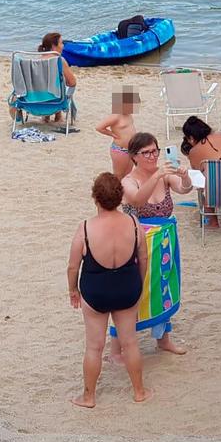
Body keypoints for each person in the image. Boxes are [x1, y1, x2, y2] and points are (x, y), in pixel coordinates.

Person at [66, 172, 153, 408]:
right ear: (120, 197)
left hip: (96, 291)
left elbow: (73, 266)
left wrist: (73, 290)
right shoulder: (134, 224)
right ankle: (139, 391)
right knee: (130, 343)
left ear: (95, 198)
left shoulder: (85, 228)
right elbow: (143, 257)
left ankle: (89, 396)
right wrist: (139, 283)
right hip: (127, 287)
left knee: (94, 346)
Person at [115, 132, 193, 358]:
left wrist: (185, 176)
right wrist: (157, 175)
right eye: (146, 152)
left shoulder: (165, 176)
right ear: (134, 156)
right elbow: (137, 199)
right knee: (133, 292)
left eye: (155, 151)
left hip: (165, 241)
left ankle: (163, 339)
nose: (152, 156)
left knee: (164, 287)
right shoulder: (128, 180)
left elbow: (184, 189)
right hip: (138, 243)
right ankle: (117, 346)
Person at [94, 86, 139, 179]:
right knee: (118, 175)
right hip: (120, 149)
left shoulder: (129, 115)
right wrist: (112, 134)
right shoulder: (116, 115)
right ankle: (115, 193)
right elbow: (99, 127)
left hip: (131, 149)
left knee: (128, 175)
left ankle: (124, 192)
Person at [37, 32, 78, 124]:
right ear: (53, 46)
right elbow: (72, 83)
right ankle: (58, 115)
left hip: (36, 99)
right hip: (56, 101)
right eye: (61, 43)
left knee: (48, 85)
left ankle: (47, 116)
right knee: (60, 87)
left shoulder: (35, 62)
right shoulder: (60, 61)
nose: (63, 46)